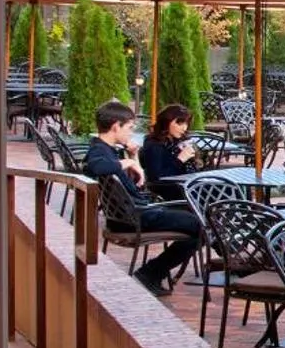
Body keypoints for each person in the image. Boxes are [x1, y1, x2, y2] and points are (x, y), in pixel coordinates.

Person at [84, 100, 202, 296]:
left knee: (200, 225)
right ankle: (150, 272)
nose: (131, 132)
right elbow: (93, 167)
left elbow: (139, 183)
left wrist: (133, 156)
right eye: (129, 127)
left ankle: (153, 272)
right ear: (116, 126)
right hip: (135, 217)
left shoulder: (107, 150)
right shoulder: (99, 151)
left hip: (136, 211)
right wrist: (128, 162)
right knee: (201, 225)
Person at [139, 104, 196, 199]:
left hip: (186, 185)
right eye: (179, 123)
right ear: (166, 122)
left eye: (186, 124)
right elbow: (156, 178)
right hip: (169, 190)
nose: (184, 128)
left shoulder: (177, 140)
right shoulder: (154, 144)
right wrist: (180, 159)